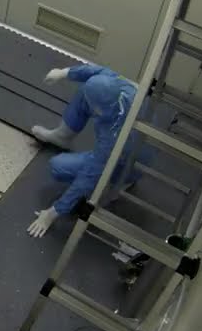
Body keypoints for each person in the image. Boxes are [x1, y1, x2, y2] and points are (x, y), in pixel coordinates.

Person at [27, 64, 143, 238]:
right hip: (121, 125)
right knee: (87, 89)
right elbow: (95, 72)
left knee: (57, 166)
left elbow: (88, 176)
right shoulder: (120, 84)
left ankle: (114, 183)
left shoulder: (114, 137)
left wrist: (53, 213)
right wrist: (64, 73)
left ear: (102, 112)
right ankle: (61, 136)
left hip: (125, 165)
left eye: (94, 110)